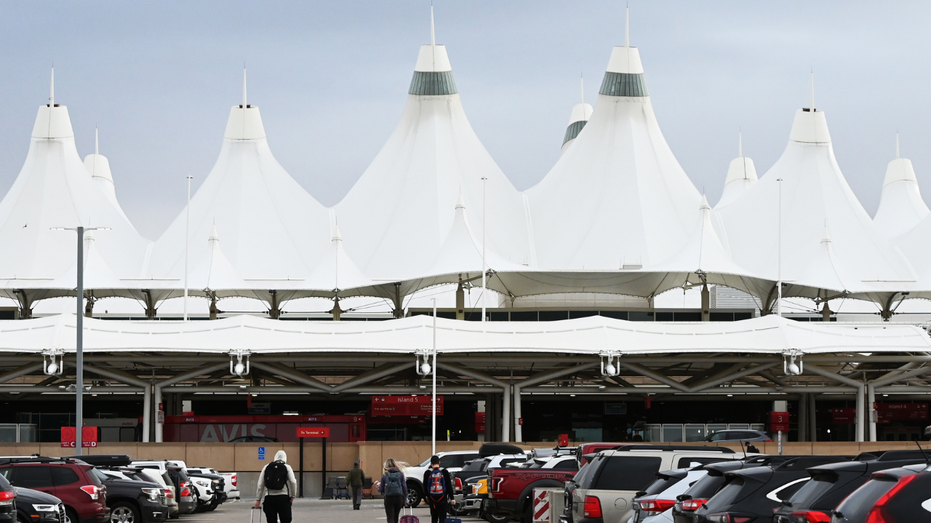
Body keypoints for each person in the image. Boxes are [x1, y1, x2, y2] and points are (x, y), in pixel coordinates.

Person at [254, 450, 298, 523]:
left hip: (269, 498)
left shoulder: (266, 467)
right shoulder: (287, 467)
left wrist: (258, 499)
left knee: (271, 521)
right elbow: (293, 481)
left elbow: (260, 484)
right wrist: (293, 495)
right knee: (286, 520)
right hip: (283, 498)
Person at [422, 455, 454, 523]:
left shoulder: (427, 473)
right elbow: (449, 485)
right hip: (442, 498)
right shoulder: (444, 472)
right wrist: (452, 498)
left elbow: (424, 486)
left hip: (432, 499)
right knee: (442, 517)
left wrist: (427, 497)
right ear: (439, 462)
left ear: (431, 463)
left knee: (434, 517)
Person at [378, 458, 407, 523]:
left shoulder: (385, 475)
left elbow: (381, 489)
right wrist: (406, 498)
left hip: (389, 498)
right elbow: (404, 487)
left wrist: (378, 488)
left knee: (390, 517)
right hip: (399, 497)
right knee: (396, 516)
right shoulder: (400, 475)